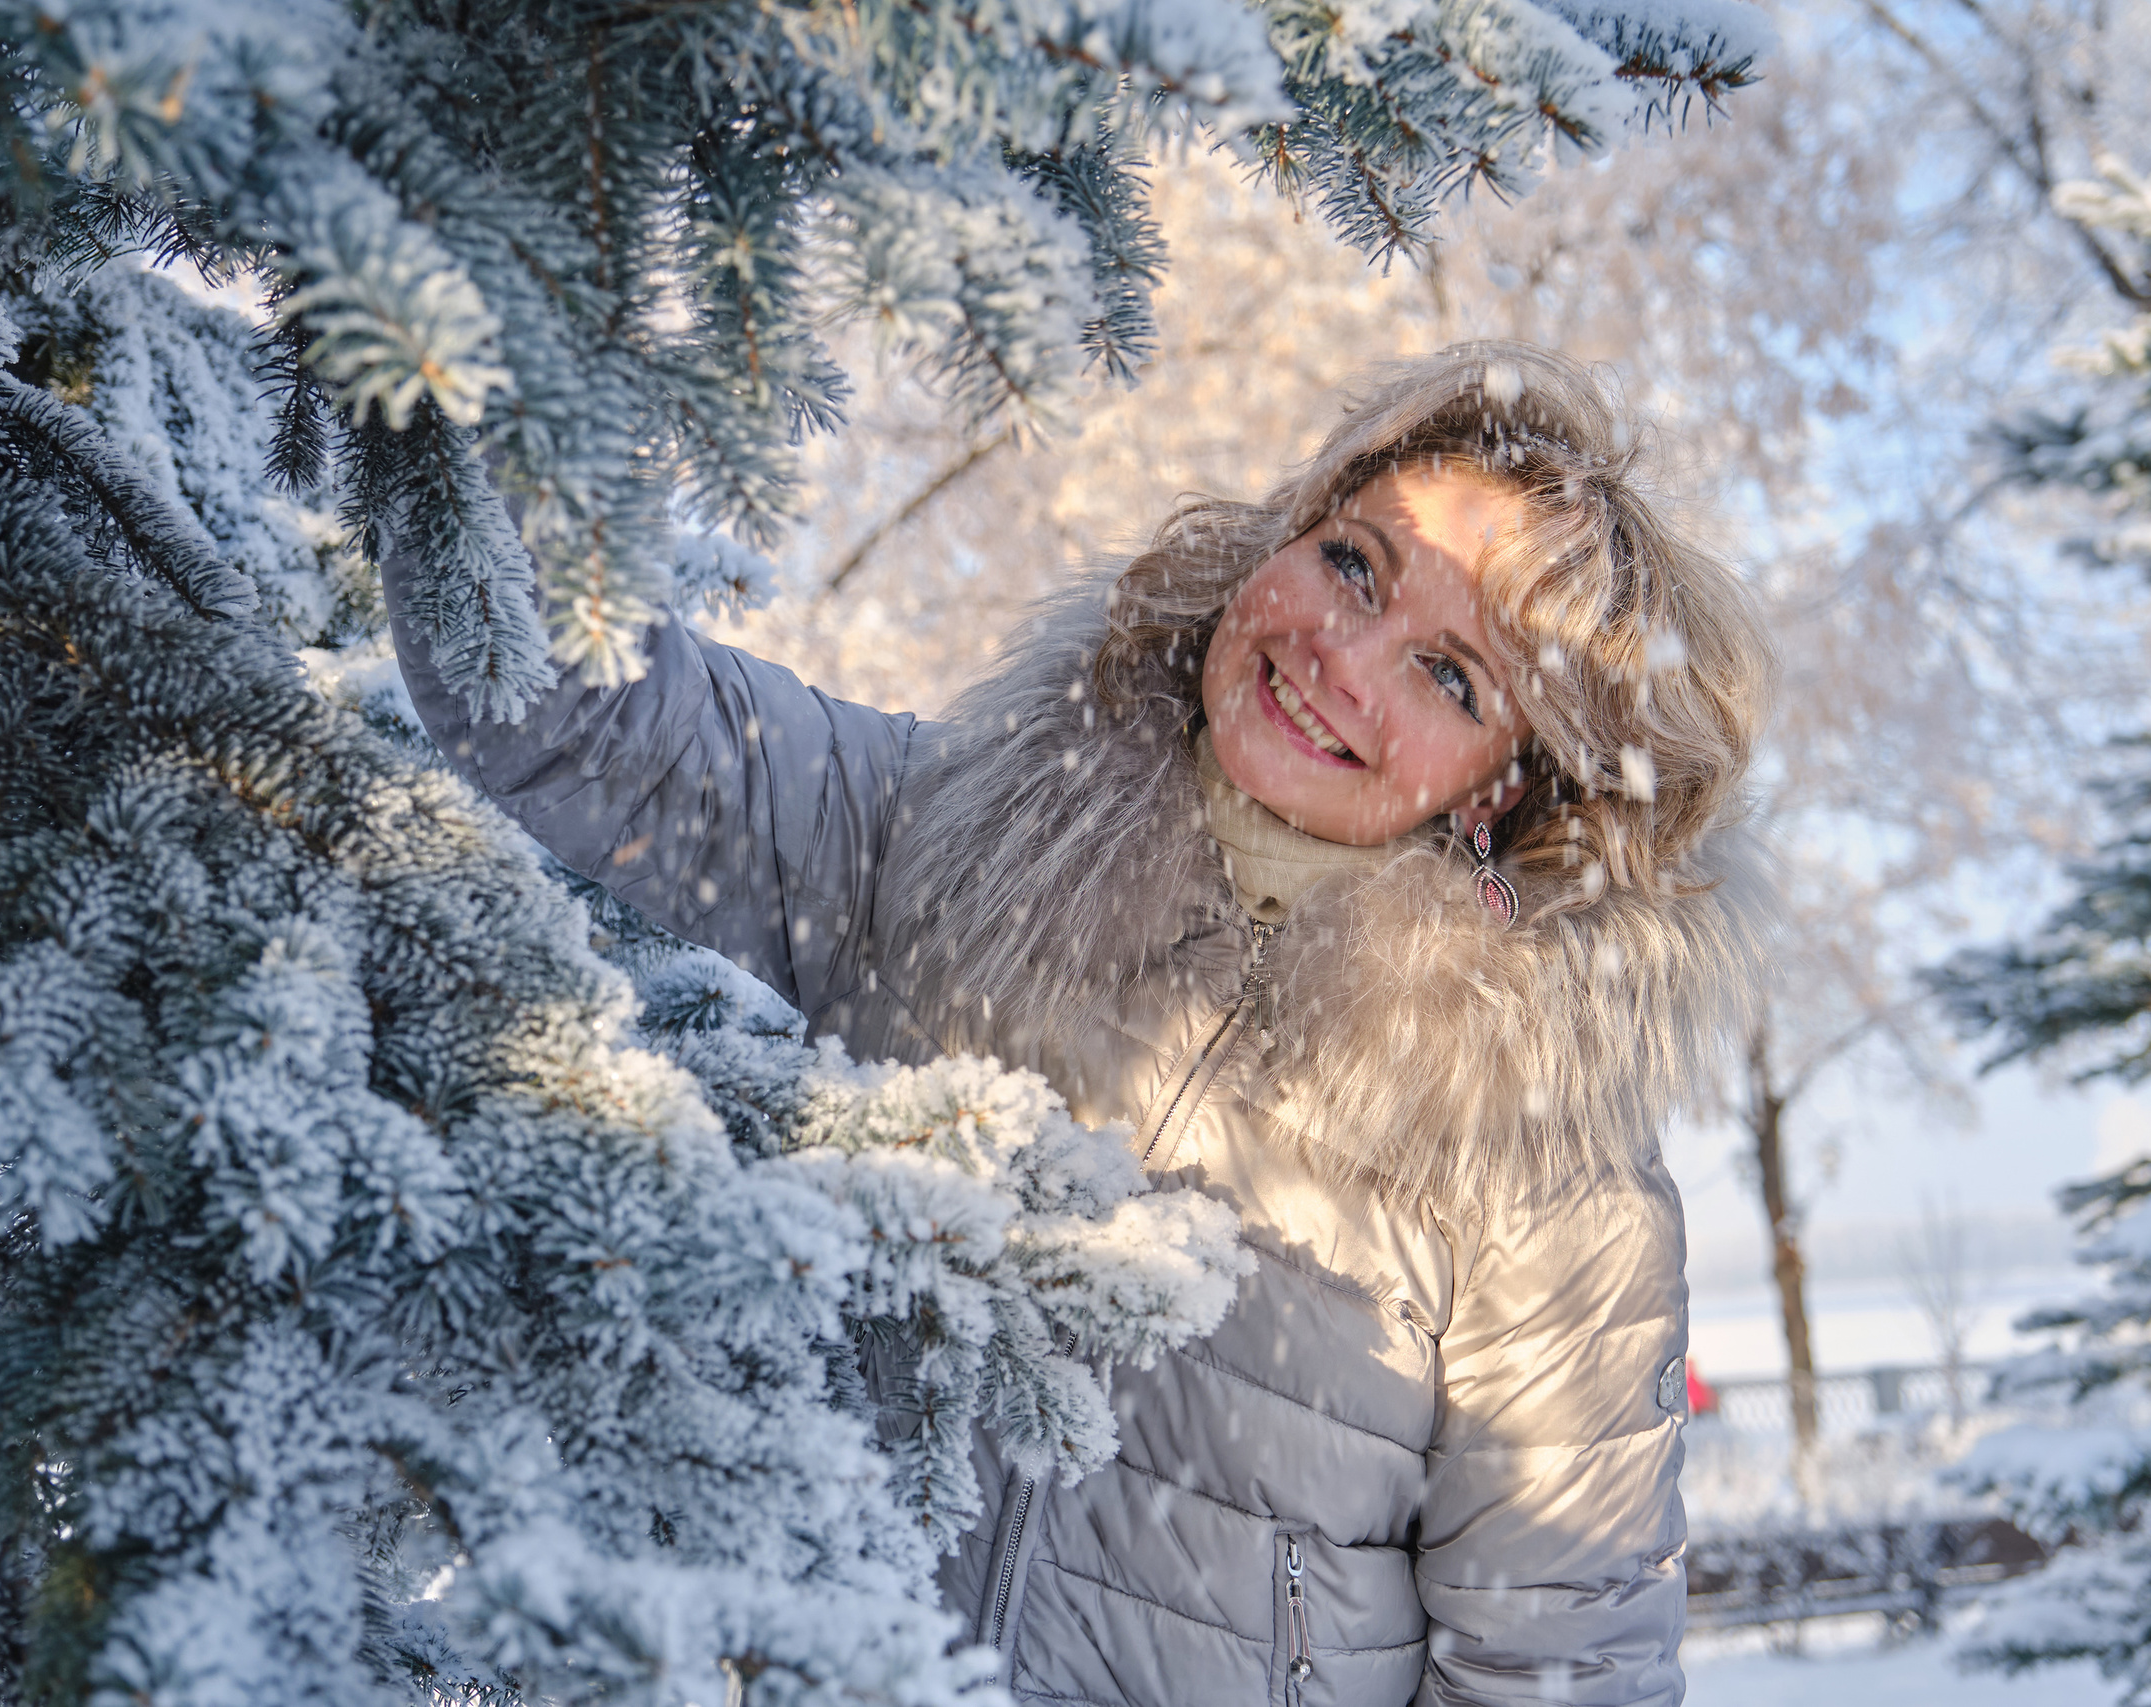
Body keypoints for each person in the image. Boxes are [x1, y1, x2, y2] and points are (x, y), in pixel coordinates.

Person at [383, 341, 1775, 1707]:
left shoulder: (1539, 1169)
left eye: (1452, 676)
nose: (1343, 656)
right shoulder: (952, 834)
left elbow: (1552, 1678)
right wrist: (490, 332)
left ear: (1501, 792)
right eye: (1354, 562)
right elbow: (569, 716)